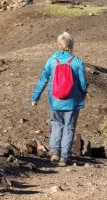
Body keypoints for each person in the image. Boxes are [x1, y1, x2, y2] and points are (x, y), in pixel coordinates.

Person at [30, 31, 88, 164]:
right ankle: (65, 157)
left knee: (56, 125)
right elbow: (83, 83)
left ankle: (55, 152)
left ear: (59, 45)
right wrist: (83, 93)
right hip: (73, 102)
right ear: (72, 45)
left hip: (56, 100)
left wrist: (35, 97)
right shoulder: (77, 61)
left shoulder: (51, 61)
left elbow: (43, 80)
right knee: (69, 127)